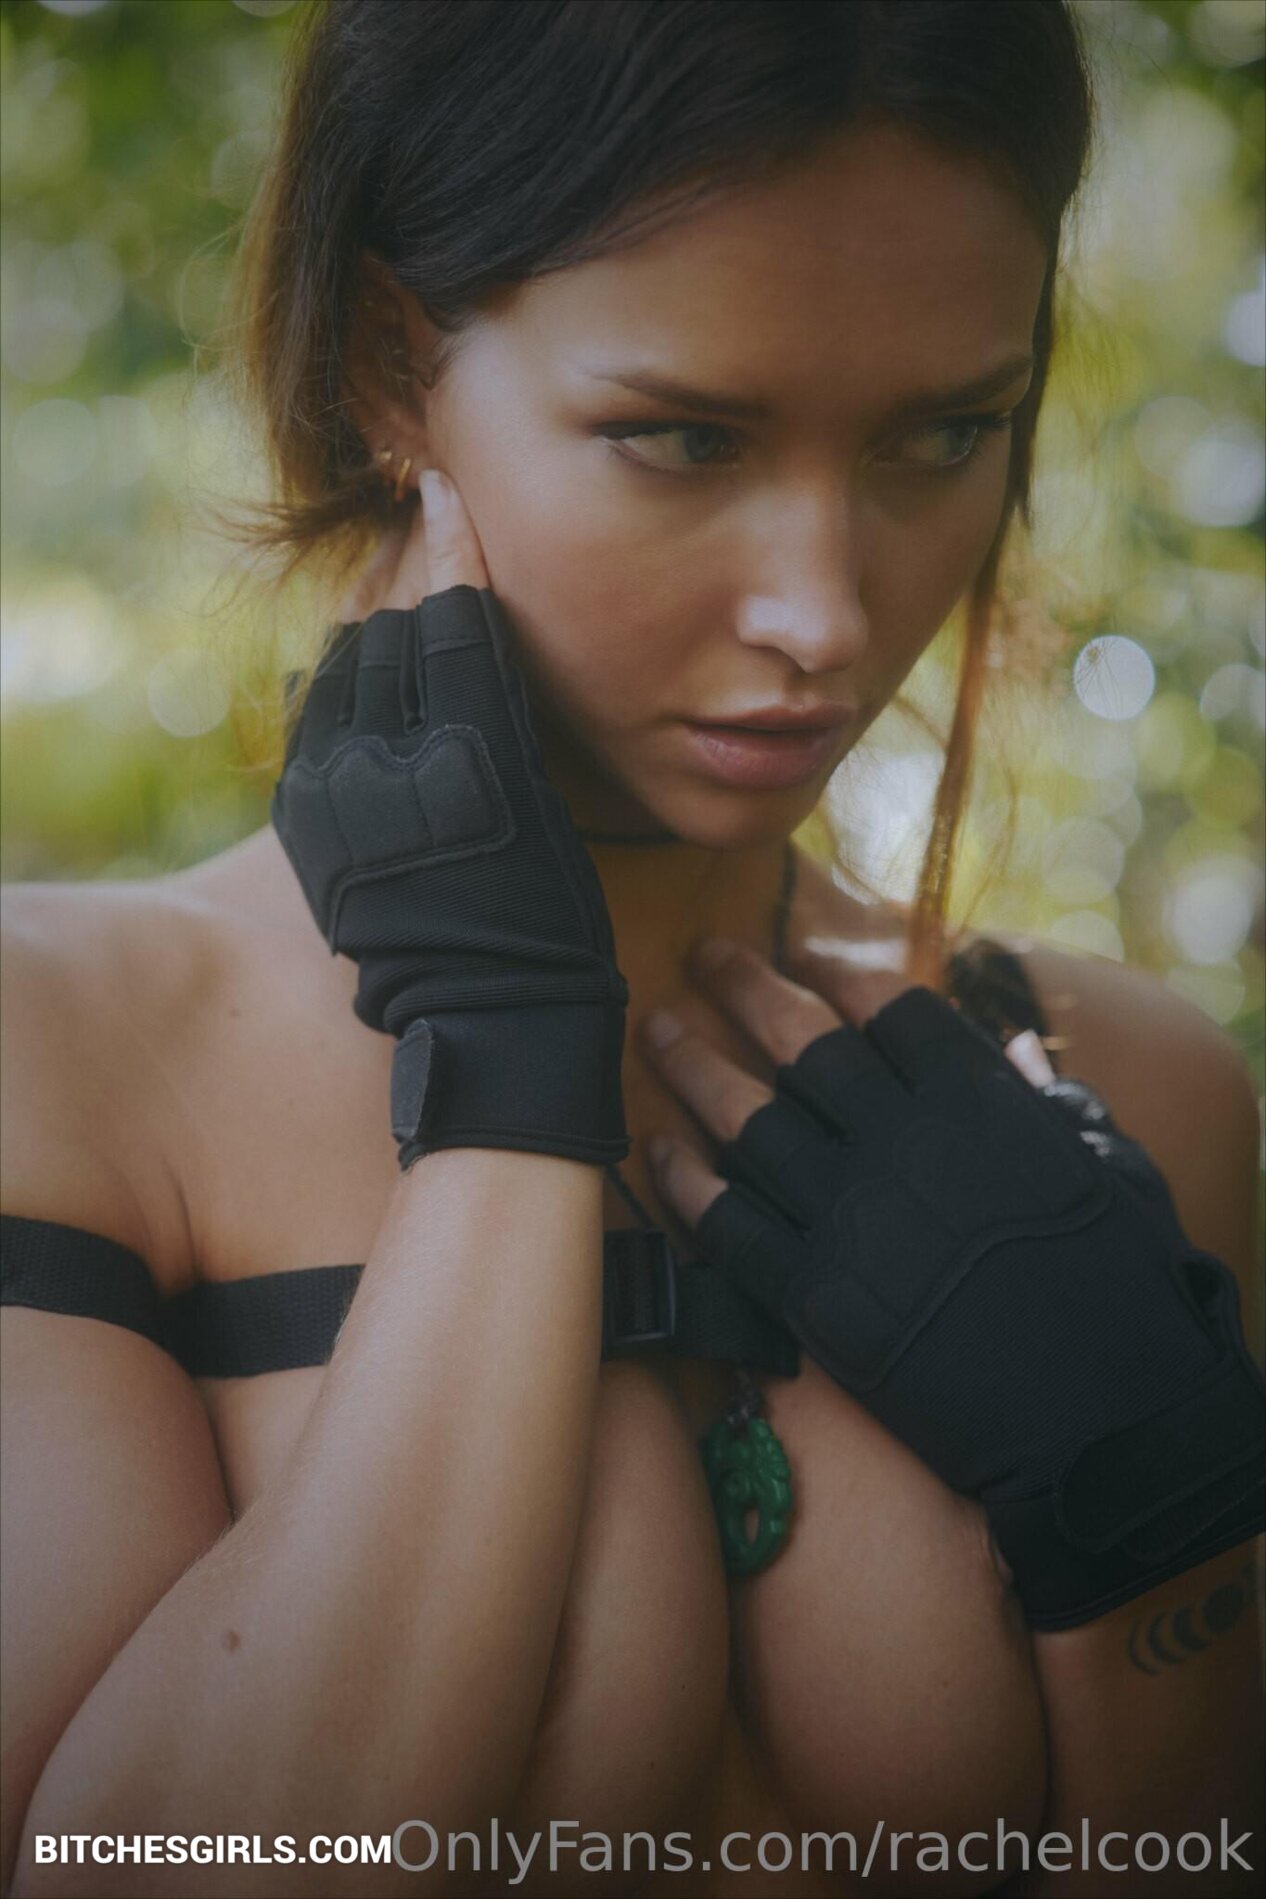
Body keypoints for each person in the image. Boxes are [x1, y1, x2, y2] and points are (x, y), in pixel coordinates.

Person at [2, 4, 1262, 1896]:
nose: (823, 612)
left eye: (943, 433)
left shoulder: (1125, 1091)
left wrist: (1149, 1510)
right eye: (682, 436)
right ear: (387, 364)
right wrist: (503, 1096)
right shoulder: (60, 1056)